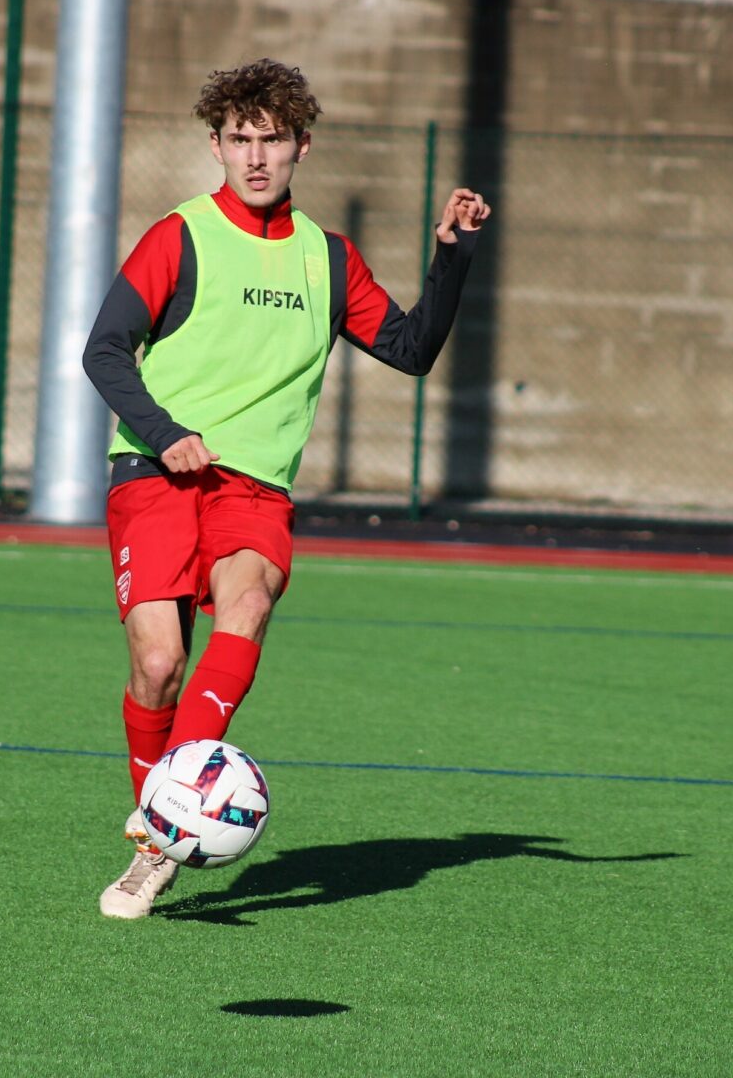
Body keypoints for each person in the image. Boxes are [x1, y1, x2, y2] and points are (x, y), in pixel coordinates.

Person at [81, 59, 491, 919]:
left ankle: (157, 843)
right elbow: (105, 352)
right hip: (155, 474)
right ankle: (168, 808)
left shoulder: (329, 260)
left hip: (255, 489)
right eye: (239, 140)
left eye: (271, 140)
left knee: (251, 603)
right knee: (158, 665)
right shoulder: (178, 236)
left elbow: (412, 349)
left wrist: (450, 257)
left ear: (303, 145)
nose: (255, 158)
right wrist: (167, 435)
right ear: (216, 145)